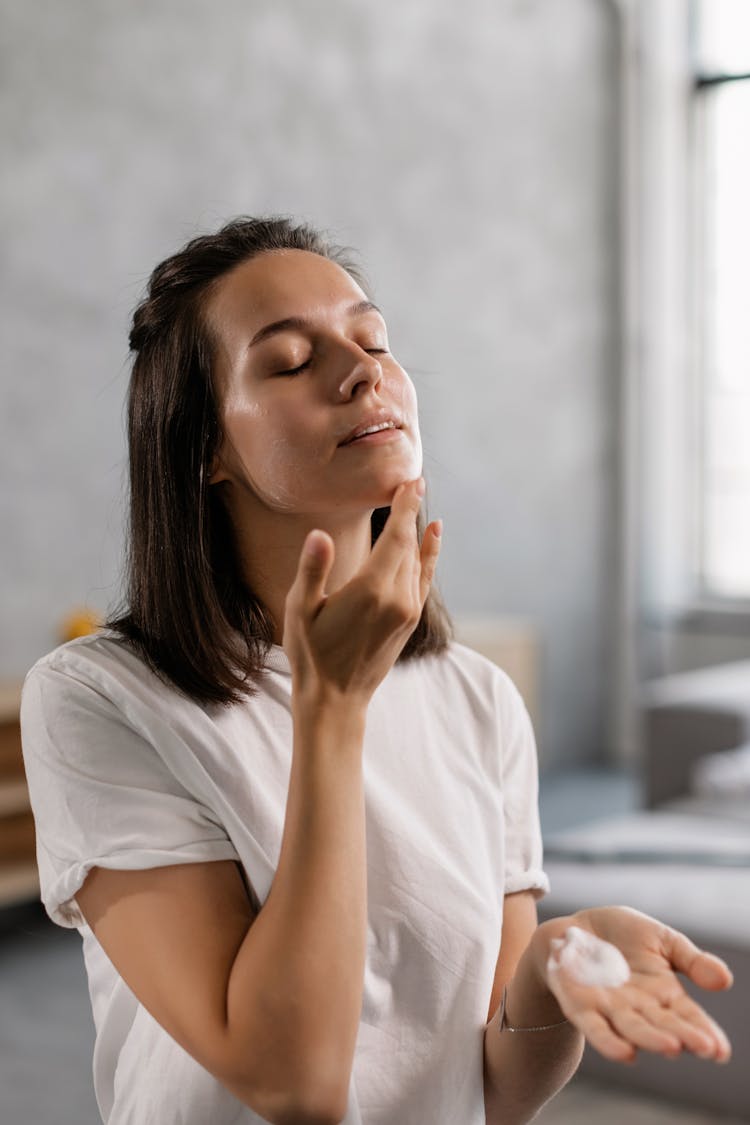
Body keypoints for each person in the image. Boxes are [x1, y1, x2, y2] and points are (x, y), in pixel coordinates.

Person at [20, 216, 733, 1125]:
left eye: (373, 339)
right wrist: (333, 713)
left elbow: (493, 1090)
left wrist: (558, 961)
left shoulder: (479, 700)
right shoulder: (97, 699)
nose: (363, 371)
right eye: (287, 361)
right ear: (204, 449)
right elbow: (292, 1085)